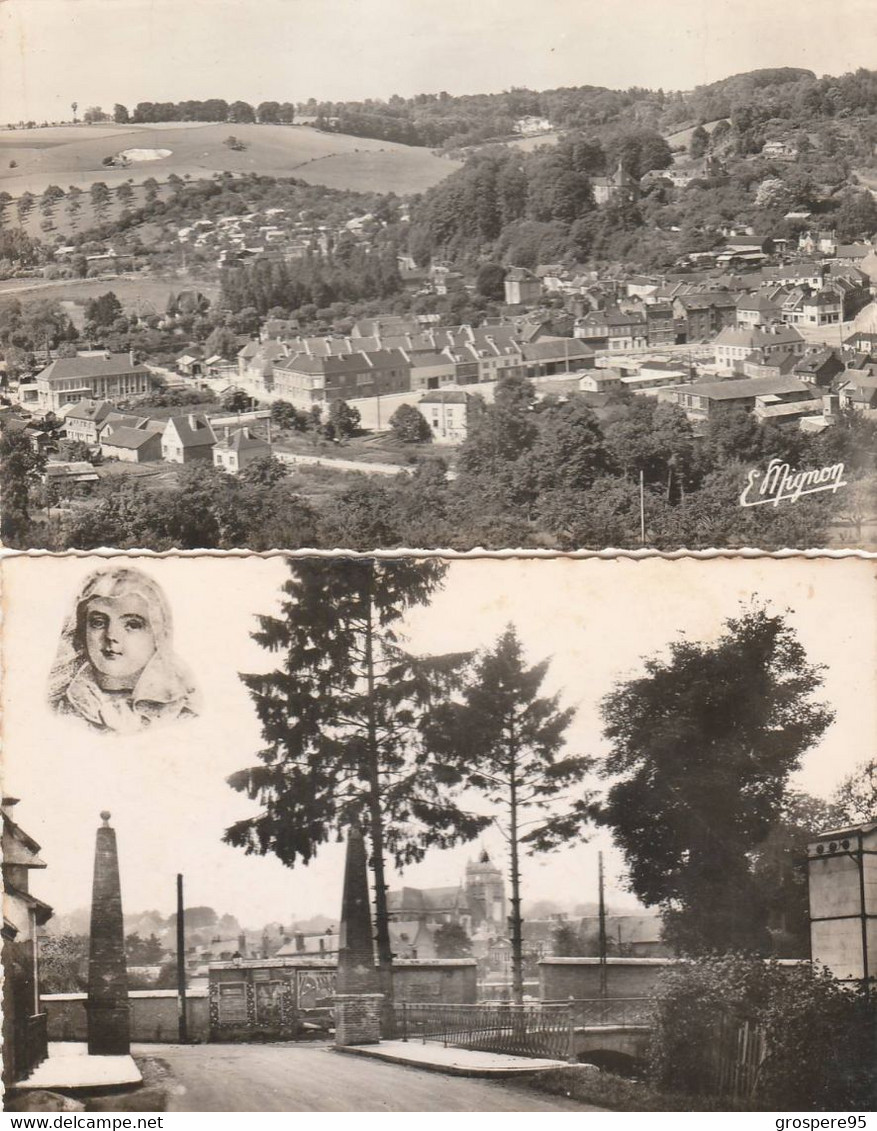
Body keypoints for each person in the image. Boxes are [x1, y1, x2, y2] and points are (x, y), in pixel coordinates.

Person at [48, 566, 200, 734]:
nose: (111, 636)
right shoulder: (64, 709)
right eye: (98, 622)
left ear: (158, 635)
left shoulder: (180, 713)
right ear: (82, 632)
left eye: (132, 625)